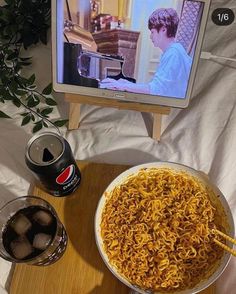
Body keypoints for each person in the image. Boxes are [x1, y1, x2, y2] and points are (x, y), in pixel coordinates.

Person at [100, 8, 192, 99]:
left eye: (152, 32)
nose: (150, 36)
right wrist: (127, 84)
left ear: (164, 30)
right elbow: (157, 88)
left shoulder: (173, 54)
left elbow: (155, 90)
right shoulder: (174, 51)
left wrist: (122, 86)